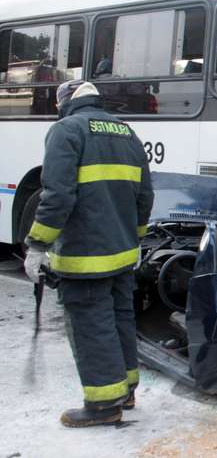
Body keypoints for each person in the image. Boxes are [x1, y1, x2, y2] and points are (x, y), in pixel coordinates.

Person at [23, 79, 154, 427]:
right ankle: (125, 391)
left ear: (65, 102)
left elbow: (57, 196)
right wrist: (136, 239)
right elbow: (145, 196)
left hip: (85, 255)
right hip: (123, 254)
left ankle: (103, 404)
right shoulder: (127, 133)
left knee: (91, 326)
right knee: (119, 320)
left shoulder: (66, 131)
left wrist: (37, 245)